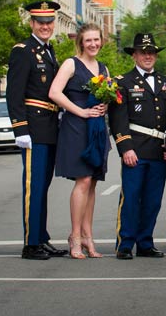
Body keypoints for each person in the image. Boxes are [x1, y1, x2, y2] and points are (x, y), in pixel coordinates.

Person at [5, 0, 68, 260]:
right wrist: (20, 129)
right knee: (34, 186)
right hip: (33, 128)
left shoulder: (49, 51)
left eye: (49, 22)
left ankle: (41, 237)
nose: (45, 26)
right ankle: (31, 244)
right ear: (31, 23)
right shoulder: (23, 51)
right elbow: (14, 94)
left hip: (50, 127)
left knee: (43, 186)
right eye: (40, 22)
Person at [108, 33, 166, 260]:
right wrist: (125, 147)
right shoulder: (123, 83)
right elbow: (118, 118)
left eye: (151, 52)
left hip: (158, 151)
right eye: (143, 52)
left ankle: (145, 242)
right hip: (135, 150)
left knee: (152, 200)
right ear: (134, 55)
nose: (148, 56)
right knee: (131, 197)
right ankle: (125, 243)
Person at [49, 23, 110, 259]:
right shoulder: (71, 64)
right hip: (76, 127)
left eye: (96, 40)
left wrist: (106, 103)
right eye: (88, 41)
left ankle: (88, 237)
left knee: (92, 182)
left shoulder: (103, 67)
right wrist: (80, 111)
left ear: (101, 41)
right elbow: (54, 92)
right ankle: (75, 237)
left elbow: (110, 94)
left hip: (96, 130)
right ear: (81, 43)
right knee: (83, 180)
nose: (93, 44)